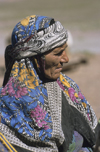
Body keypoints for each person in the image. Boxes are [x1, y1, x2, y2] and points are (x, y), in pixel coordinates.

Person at [0, 15, 98, 152]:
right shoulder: (9, 106)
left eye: (65, 49)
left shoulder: (67, 86)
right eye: (58, 53)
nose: (66, 59)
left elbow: (94, 134)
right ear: (33, 58)